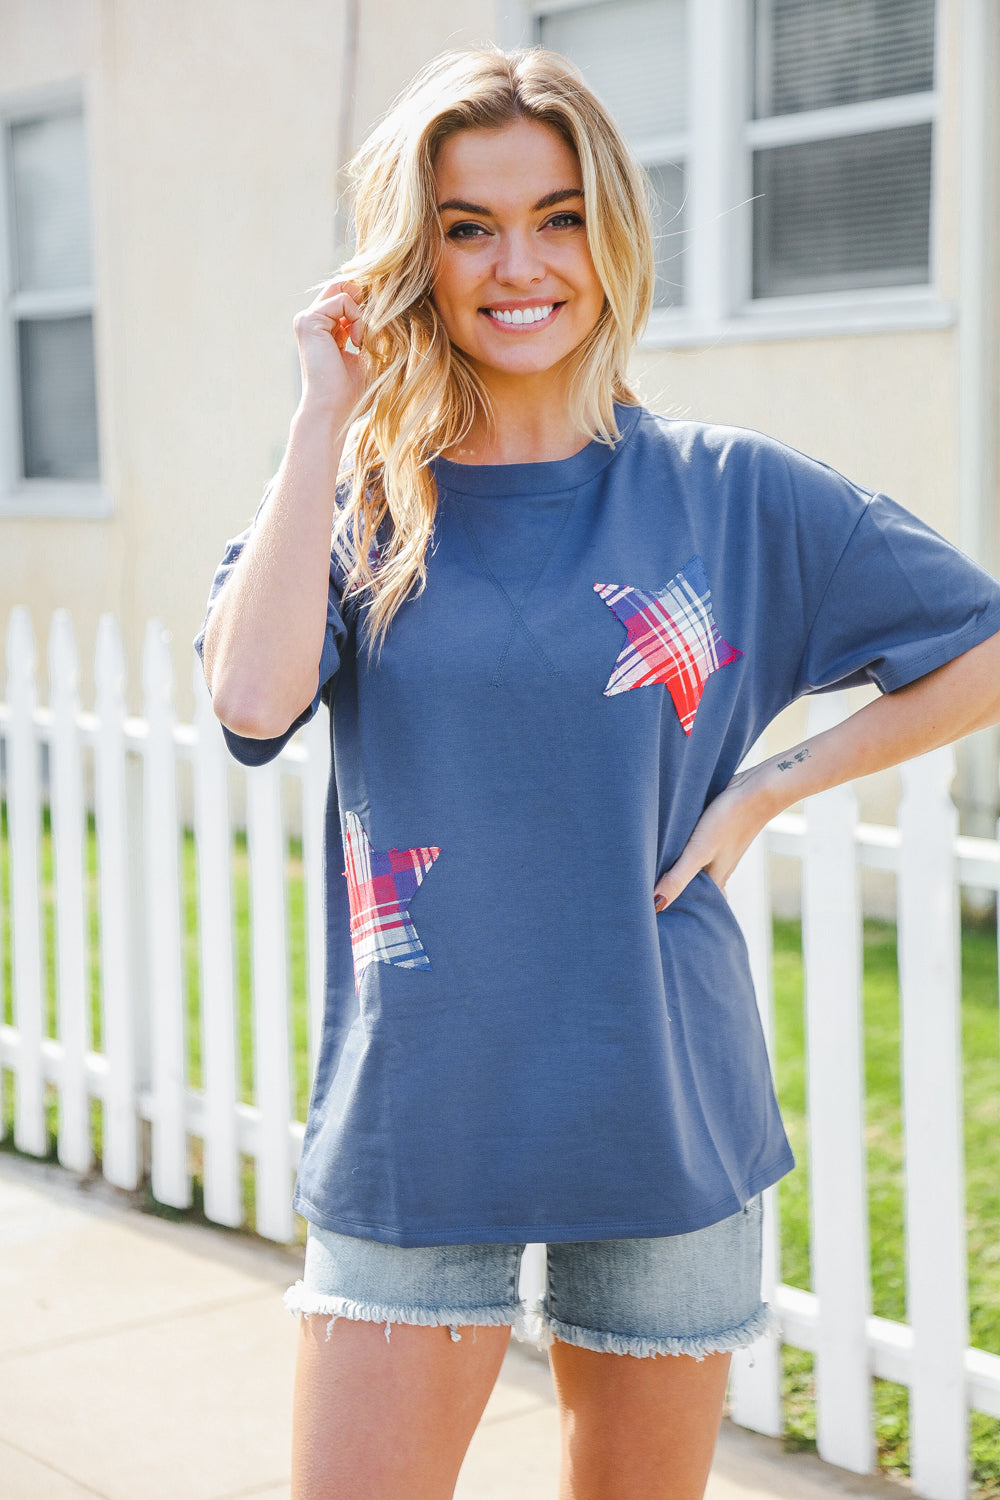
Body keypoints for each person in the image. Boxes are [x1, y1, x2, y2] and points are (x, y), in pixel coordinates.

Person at [196, 45, 1000, 1500]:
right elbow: (251, 705)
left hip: (662, 1095)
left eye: (557, 217)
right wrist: (323, 414)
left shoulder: (730, 494)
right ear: (417, 257)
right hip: (418, 1110)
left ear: (610, 230)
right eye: (469, 226)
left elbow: (978, 643)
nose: (520, 265)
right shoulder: (361, 503)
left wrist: (769, 786)